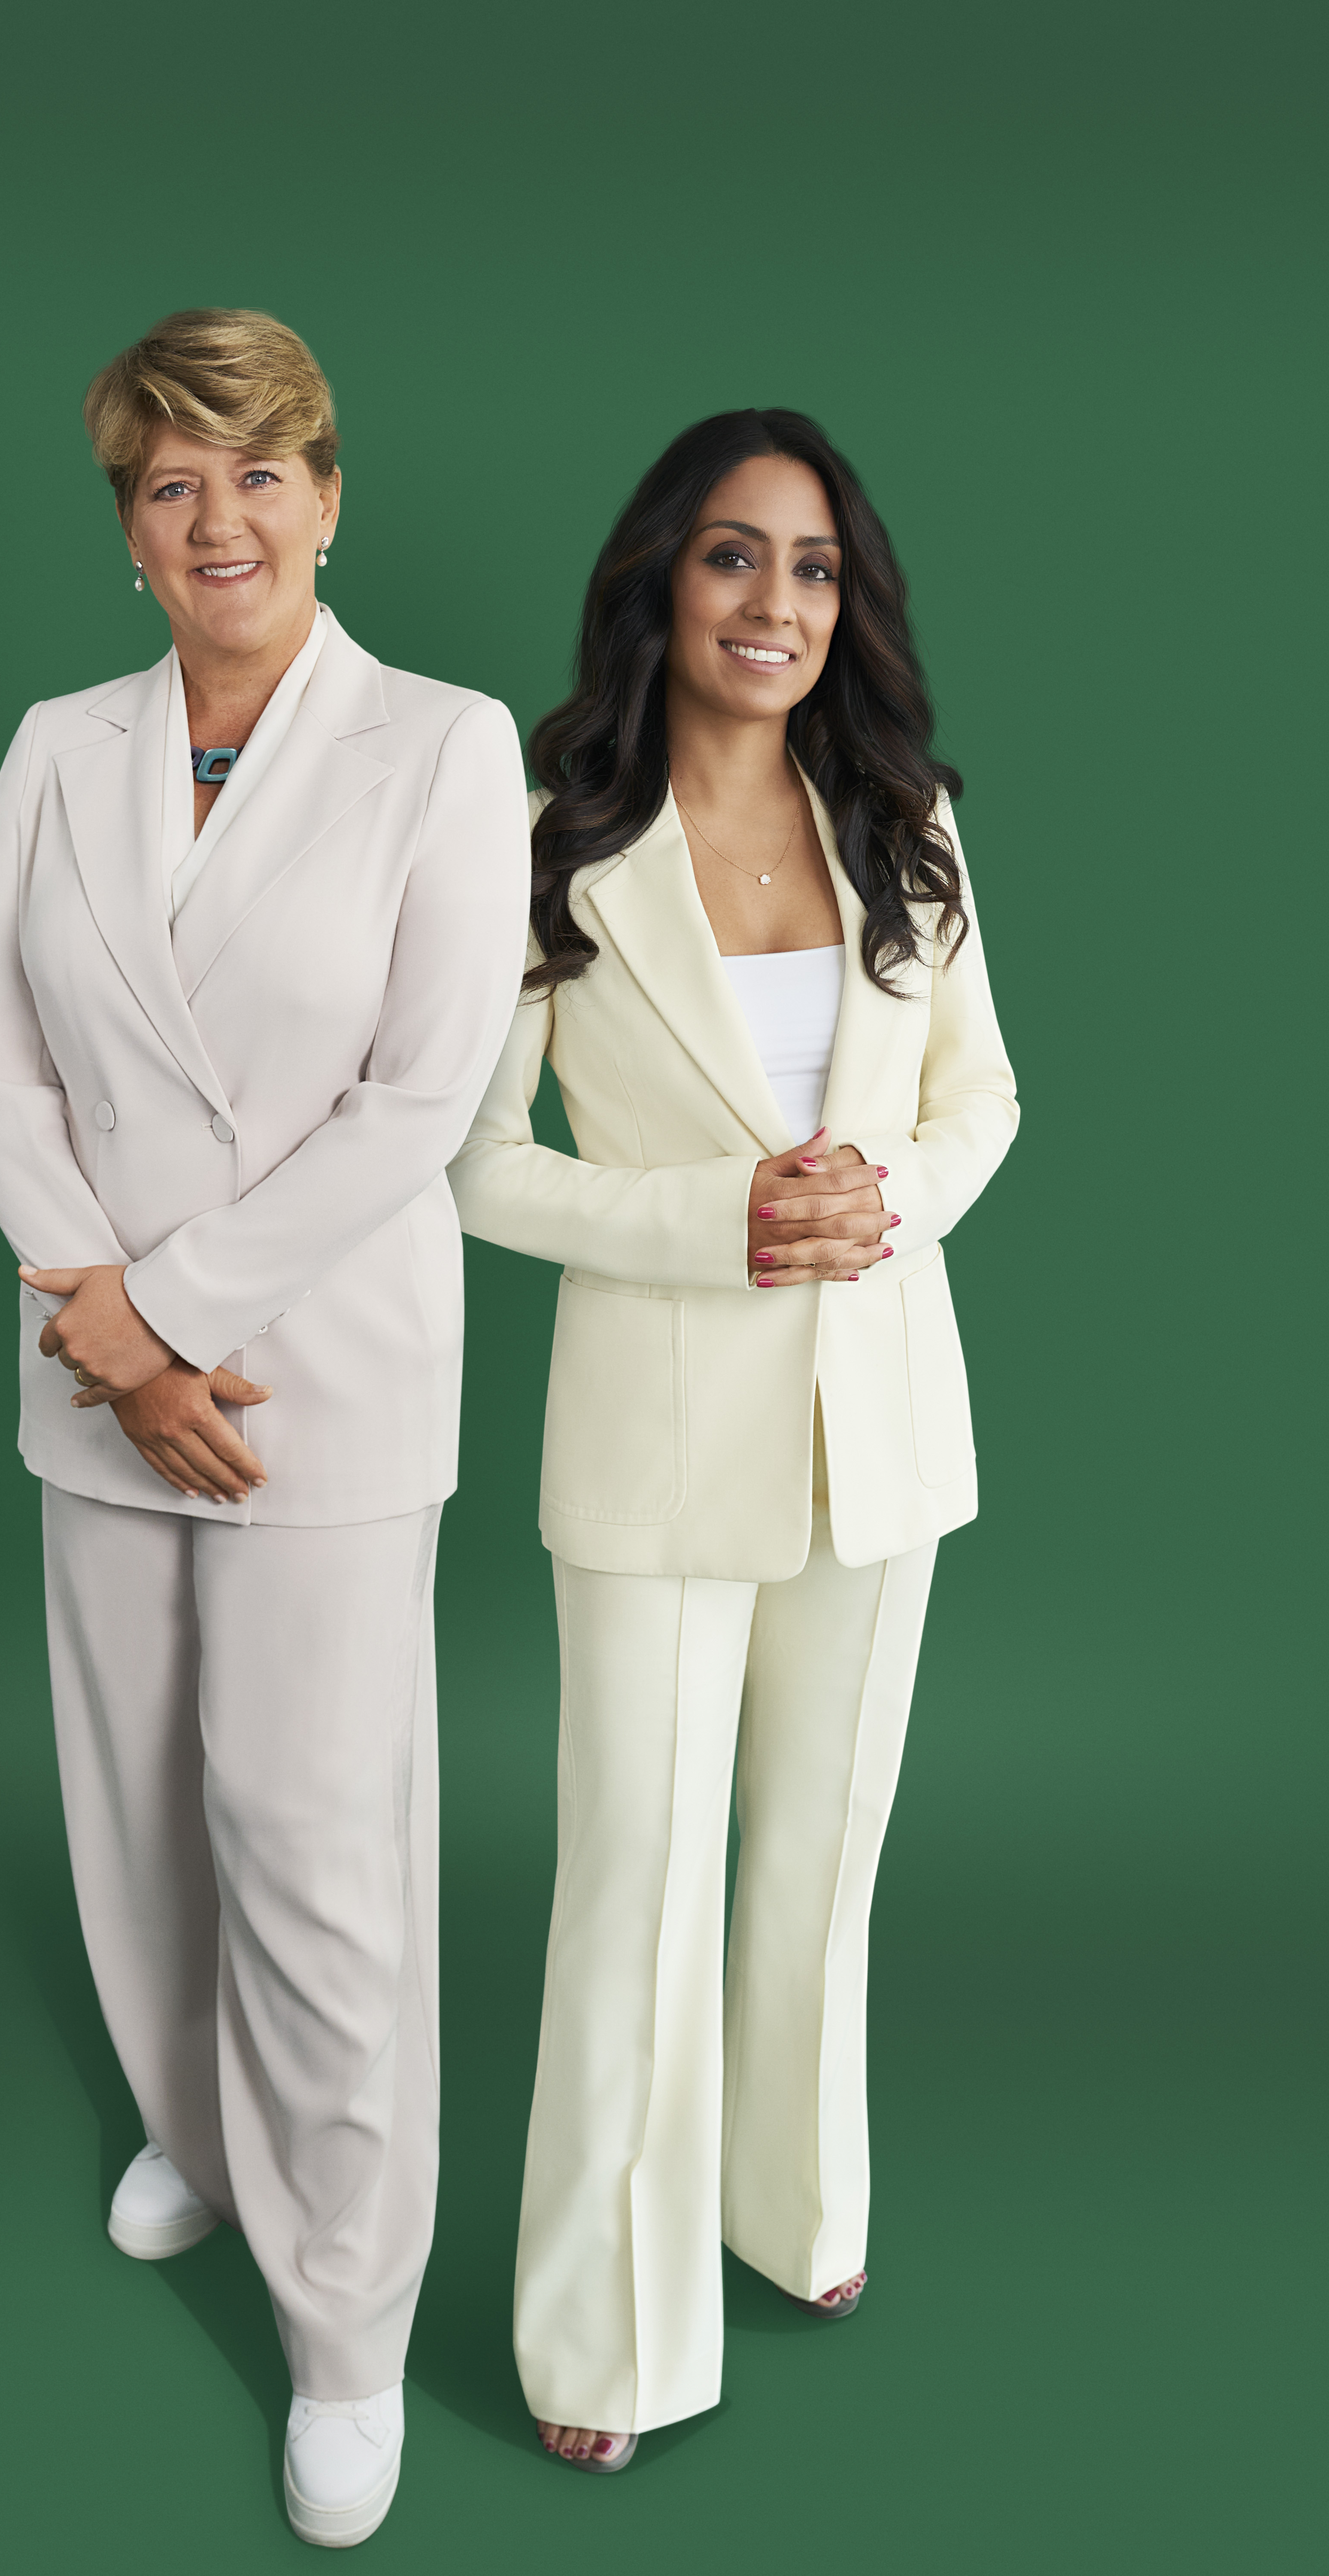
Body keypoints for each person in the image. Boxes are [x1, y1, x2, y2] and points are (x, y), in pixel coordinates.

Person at [0, 308, 528, 2546]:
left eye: (258, 471)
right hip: (105, 1389)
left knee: (312, 1854)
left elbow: (423, 1096)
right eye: (168, 484)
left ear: (327, 492)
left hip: (317, 1391)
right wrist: (109, 1344)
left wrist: (170, 1320)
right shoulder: (56, 745)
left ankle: (347, 2328)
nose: (219, 518)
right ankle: (198, 2127)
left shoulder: (443, 747)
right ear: (125, 529)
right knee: (133, 1812)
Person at [447, 410, 1018, 2472]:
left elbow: (984, 1105)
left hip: (886, 1423)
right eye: (730, 559)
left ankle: (795, 2209)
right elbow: (475, 1165)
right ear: (656, 587)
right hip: (658, 1427)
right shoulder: (547, 833)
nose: (774, 604)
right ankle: (602, 2341)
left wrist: (887, 1202)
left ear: (841, 609)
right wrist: (722, 1222)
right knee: (638, 1878)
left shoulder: (910, 821)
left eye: (812, 570)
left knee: (827, 1856)